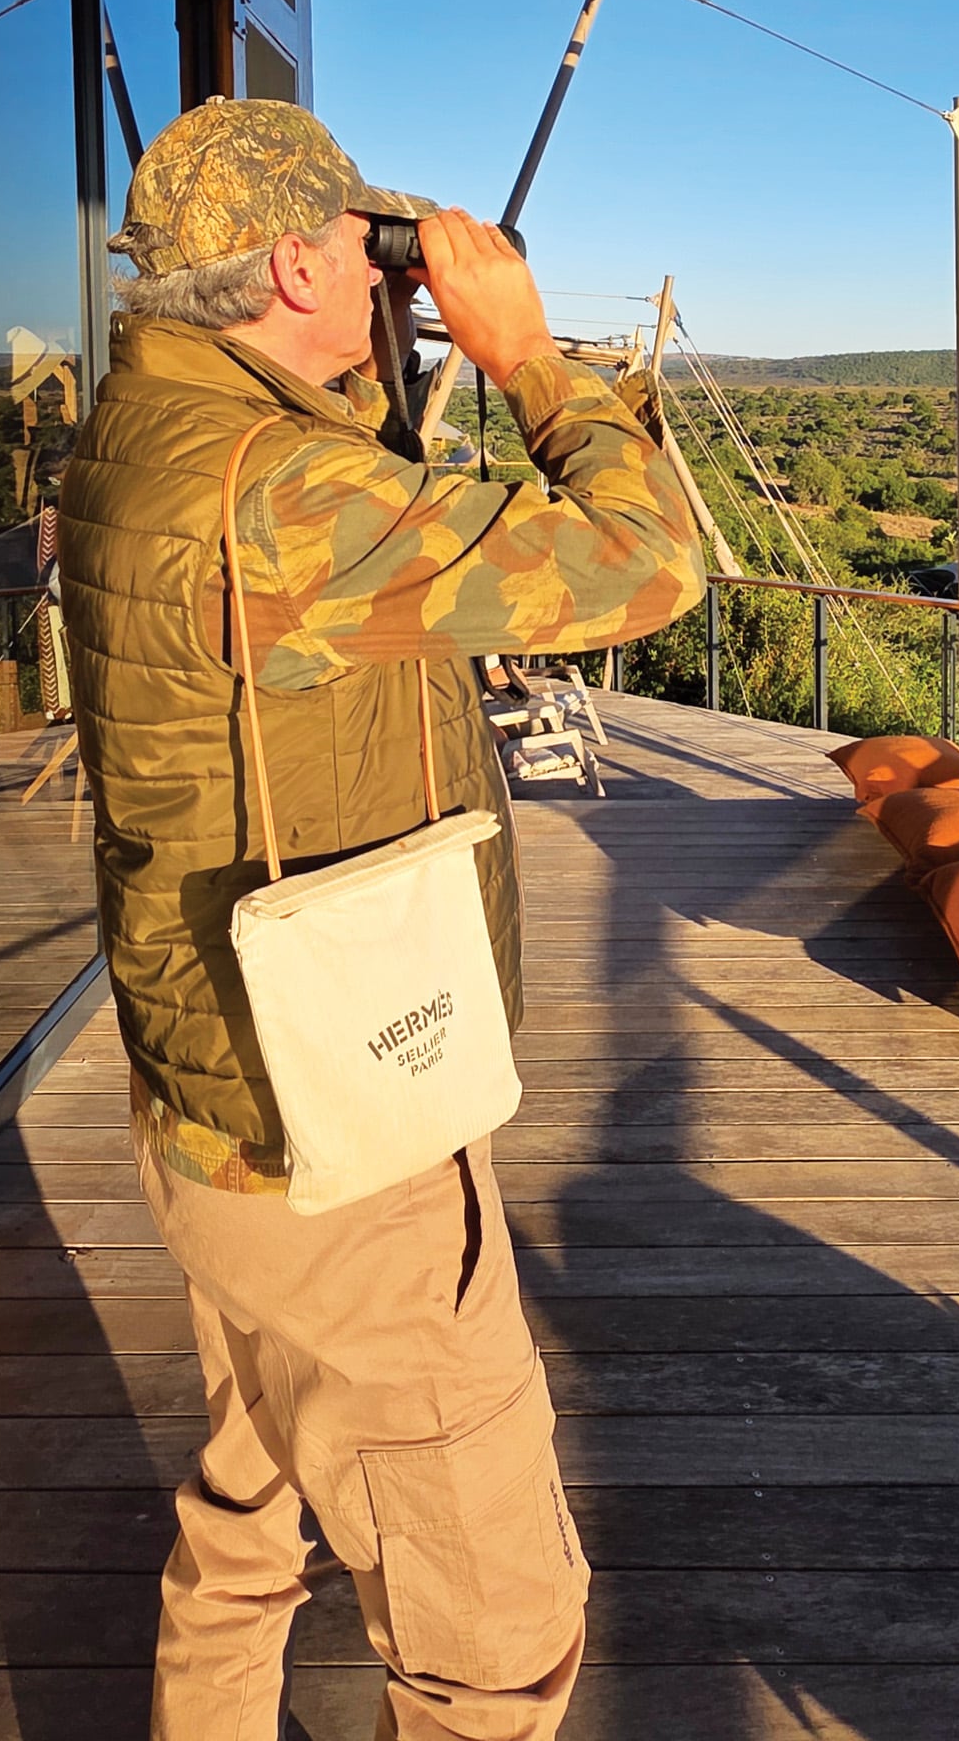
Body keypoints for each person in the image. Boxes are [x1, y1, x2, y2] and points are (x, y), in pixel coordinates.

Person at [58, 96, 705, 1741]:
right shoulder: (277, 496)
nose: (386, 269)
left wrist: (383, 348)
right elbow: (647, 568)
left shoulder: (150, 432)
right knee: (494, 1636)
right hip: (337, 1142)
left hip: (219, 1096)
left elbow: (339, 576)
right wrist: (525, 358)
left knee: (249, 1516)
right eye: (364, 246)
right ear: (288, 262)